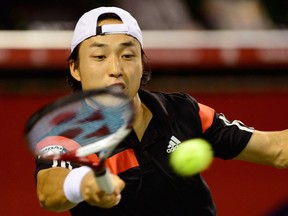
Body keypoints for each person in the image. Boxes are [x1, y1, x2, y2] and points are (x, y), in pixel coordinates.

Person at [35, 6, 288, 216]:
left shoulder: (182, 110)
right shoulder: (66, 135)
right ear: (75, 68)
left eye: (127, 55)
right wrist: (84, 184)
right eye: (100, 57)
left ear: (142, 63)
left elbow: (277, 150)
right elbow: (49, 191)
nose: (116, 68)